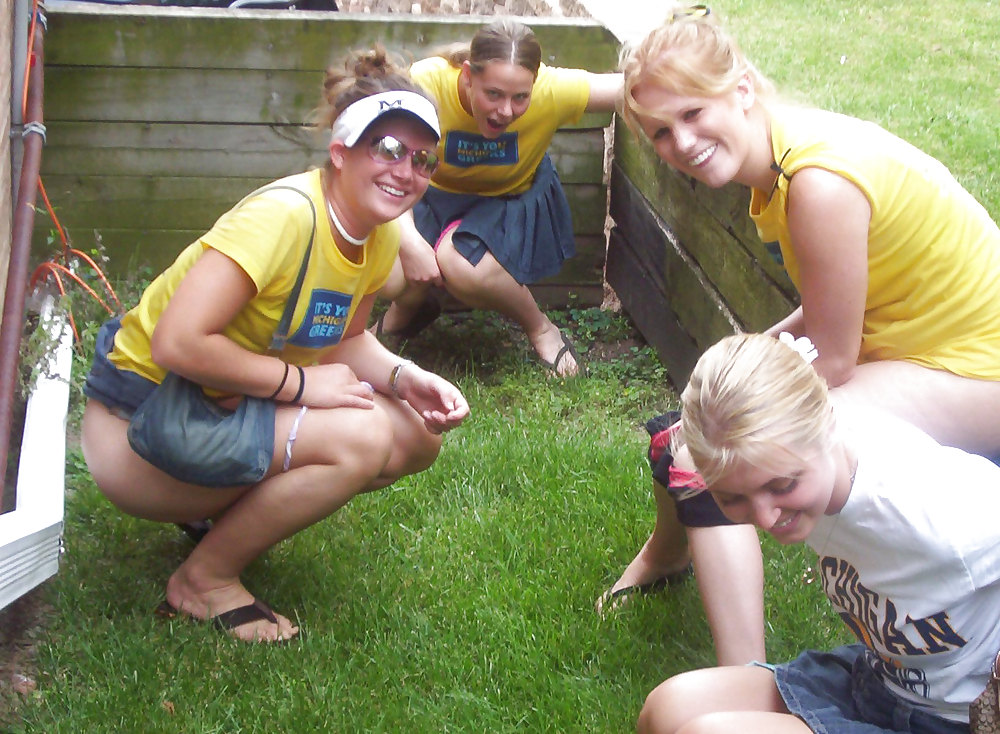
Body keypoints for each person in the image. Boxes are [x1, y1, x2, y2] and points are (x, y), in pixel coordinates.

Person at [599, 3, 1000, 665]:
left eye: (694, 113)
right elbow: (822, 316)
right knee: (701, 420)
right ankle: (664, 558)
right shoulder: (788, 163)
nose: (682, 143)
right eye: (661, 133)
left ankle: (744, 677)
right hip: (922, 354)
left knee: (706, 451)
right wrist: (732, 365)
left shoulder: (817, 183)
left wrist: (729, 397)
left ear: (743, 90)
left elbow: (834, 360)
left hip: (976, 372)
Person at [79, 47, 470, 643]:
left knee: (415, 436)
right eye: (388, 149)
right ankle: (204, 580)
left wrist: (403, 377)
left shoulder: (377, 235)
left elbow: (345, 340)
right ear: (340, 152)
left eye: (423, 159)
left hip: (221, 403)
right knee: (361, 437)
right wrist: (303, 385)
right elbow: (177, 342)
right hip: (141, 422)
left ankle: (219, 520)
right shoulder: (284, 217)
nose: (406, 170)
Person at [636, 332, 1000, 734]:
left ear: (827, 422)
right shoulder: (805, 464)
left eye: (782, 485)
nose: (766, 516)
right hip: (876, 681)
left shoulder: (938, 512)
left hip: (952, 720)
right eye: (732, 497)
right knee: (668, 709)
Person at [374, 18, 623, 376]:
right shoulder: (426, 84)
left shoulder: (552, 90)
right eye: (493, 94)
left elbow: (632, 89)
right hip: (429, 198)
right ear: (466, 77)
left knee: (461, 263)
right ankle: (407, 310)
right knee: (389, 273)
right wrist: (411, 242)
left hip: (506, 204)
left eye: (520, 97)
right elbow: (392, 166)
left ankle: (540, 327)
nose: (506, 111)